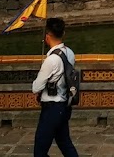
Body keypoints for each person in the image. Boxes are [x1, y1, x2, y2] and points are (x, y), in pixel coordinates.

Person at [32, 17, 79, 157]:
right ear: (62, 33)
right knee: (64, 143)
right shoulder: (69, 53)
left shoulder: (51, 60)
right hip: (64, 105)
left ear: (47, 36)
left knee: (40, 150)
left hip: (52, 108)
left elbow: (36, 87)